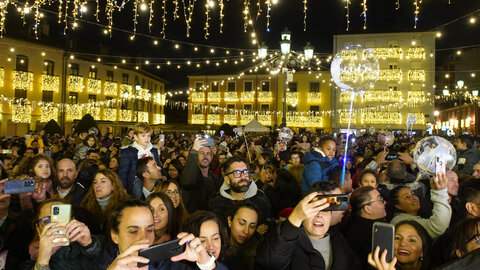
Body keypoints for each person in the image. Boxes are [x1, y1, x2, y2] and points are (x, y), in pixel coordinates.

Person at [102, 199, 227, 270]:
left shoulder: (171, 266)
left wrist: (207, 263)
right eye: (133, 231)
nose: (143, 238)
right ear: (115, 235)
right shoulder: (99, 264)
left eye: (150, 230)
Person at [256, 186, 361, 269]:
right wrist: (295, 218)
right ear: (303, 213)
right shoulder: (287, 242)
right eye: (314, 209)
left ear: (331, 216)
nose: (319, 215)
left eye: (325, 210)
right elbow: (270, 263)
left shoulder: (340, 241)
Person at [20, 199, 103, 269]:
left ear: (72, 220)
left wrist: (89, 245)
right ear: (38, 228)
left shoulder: (88, 242)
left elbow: (105, 259)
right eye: (47, 221)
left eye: (62, 219)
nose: (55, 226)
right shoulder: (29, 261)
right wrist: (42, 261)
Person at [209, 157, 272, 229]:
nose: (243, 177)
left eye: (245, 172)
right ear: (227, 180)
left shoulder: (262, 203)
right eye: (237, 173)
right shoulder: (216, 205)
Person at [388, 172, 452, 239]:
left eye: (412, 193)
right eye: (407, 197)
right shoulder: (400, 222)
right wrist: (439, 192)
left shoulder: (416, 215)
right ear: (397, 206)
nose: (414, 197)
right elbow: (437, 228)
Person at [343, 186, 387, 268]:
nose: (384, 202)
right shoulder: (364, 236)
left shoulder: (358, 224)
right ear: (367, 209)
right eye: (380, 200)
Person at [179, 137, 222, 213]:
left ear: (212, 157)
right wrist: (194, 150)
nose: (205, 156)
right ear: (196, 156)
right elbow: (187, 181)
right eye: (201, 153)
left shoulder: (215, 179)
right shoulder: (190, 176)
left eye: (208, 154)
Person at [368, 220, 432, 270]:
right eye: (397, 238)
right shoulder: (378, 267)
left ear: (422, 251)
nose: (403, 243)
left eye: (412, 240)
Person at [118, 122, 161, 194]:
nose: (147, 138)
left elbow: (158, 165)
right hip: (136, 180)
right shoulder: (128, 151)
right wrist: (123, 187)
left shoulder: (153, 150)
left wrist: (163, 175)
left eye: (148, 136)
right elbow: (123, 172)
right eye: (143, 136)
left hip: (152, 179)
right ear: (136, 137)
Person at [226, 201, 261, 270]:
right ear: (230, 221)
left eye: (252, 226)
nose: (246, 231)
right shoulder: (215, 245)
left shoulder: (260, 254)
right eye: (241, 223)